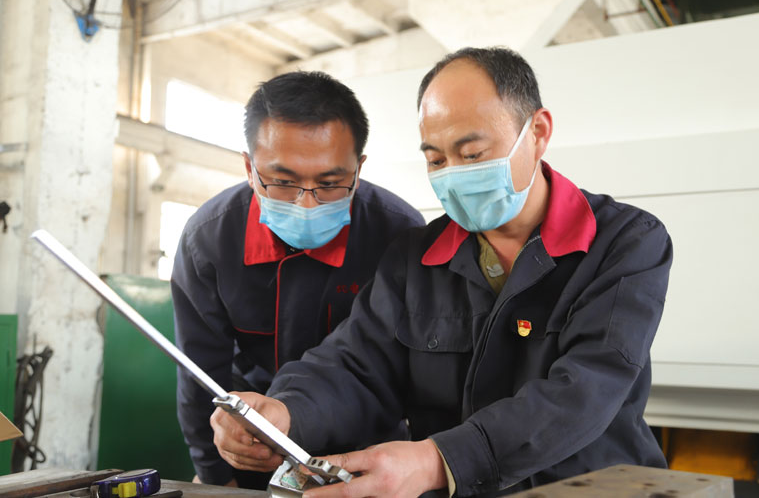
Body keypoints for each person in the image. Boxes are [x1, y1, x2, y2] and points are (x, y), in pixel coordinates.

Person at [209, 47, 673, 497]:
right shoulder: (415, 258)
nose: (452, 174)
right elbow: (354, 365)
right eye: (435, 159)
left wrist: (437, 461)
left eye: (471, 155)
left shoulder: (625, 244)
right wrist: (287, 413)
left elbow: (583, 392)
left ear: (537, 131)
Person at [171, 71, 425, 488]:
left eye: (330, 183)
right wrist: (216, 475)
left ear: (358, 169)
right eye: (284, 182)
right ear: (250, 168)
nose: (307, 203)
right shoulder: (210, 239)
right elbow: (201, 377)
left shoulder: (397, 234)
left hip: (364, 447)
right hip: (252, 441)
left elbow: (401, 371)